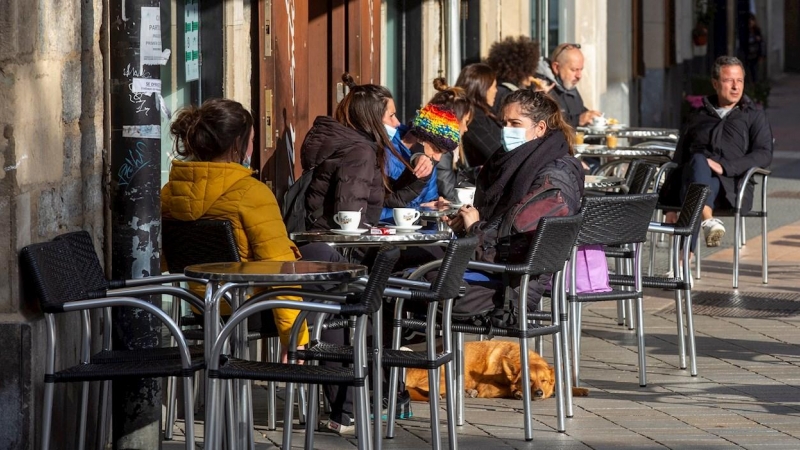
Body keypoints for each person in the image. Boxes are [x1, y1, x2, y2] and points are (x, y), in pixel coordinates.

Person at [162, 97, 317, 350]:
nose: (252, 148)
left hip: (202, 307)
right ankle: (331, 378)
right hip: (249, 308)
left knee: (317, 254)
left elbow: (164, 258)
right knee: (335, 293)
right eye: (252, 141)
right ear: (238, 144)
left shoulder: (169, 194)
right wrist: (295, 339)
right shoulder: (251, 192)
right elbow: (278, 270)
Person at [444, 89, 584, 325]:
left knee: (413, 280)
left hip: (511, 290)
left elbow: (517, 250)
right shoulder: (517, 162)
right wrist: (466, 226)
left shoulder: (551, 178)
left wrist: (475, 228)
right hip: (496, 272)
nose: (507, 130)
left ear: (540, 128)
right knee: (412, 267)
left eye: (515, 123)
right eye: (504, 123)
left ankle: (391, 357)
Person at [661, 56, 773, 249]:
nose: (735, 87)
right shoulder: (698, 117)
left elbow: (764, 153)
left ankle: (683, 260)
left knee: (696, 189)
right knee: (697, 167)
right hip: (692, 184)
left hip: (733, 188)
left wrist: (725, 167)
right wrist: (668, 204)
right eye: (729, 80)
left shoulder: (754, 117)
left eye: (740, 81)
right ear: (715, 83)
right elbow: (679, 157)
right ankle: (708, 220)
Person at [301, 73, 396, 230]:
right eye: (391, 116)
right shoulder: (360, 152)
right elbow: (350, 222)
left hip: (328, 236)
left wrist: (419, 177)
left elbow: (386, 197)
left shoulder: (358, 146)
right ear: (371, 117)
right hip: (334, 243)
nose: (397, 123)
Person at [535, 43, 602, 128]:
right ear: (556, 67)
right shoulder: (541, 87)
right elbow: (547, 122)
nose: (579, 76)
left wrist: (592, 117)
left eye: (581, 69)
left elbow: (579, 110)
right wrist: (578, 120)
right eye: (574, 70)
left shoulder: (567, 83)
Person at [456, 63, 502, 168]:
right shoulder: (474, 118)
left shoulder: (483, 112)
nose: (496, 90)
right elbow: (495, 152)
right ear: (483, 88)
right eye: (494, 86)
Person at [486, 36, 542, 115]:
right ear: (521, 71)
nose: (532, 75)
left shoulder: (499, 90)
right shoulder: (510, 95)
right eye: (530, 71)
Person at [746, 13, 765, 84]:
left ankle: (755, 84)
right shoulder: (745, 31)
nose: (751, 22)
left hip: (755, 54)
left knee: (754, 71)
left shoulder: (757, 31)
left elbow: (761, 43)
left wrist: (761, 55)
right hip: (748, 54)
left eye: (752, 20)